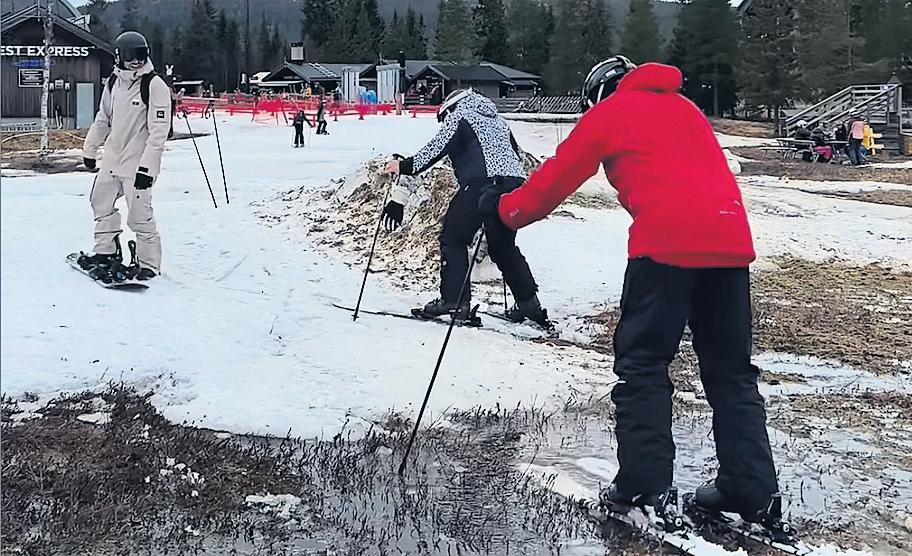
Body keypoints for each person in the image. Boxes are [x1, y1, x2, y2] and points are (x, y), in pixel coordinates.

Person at [490, 56, 780, 520]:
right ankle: (750, 489)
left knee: (643, 365)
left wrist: (505, 213)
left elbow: (552, 182)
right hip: (729, 244)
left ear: (598, 94)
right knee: (731, 374)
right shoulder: (687, 109)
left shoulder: (610, 113)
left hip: (665, 246)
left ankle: (644, 489)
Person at [384, 89, 550, 327]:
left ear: (448, 108)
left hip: (481, 184)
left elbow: (435, 150)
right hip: (514, 184)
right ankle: (529, 304)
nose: (443, 124)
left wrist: (403, 166)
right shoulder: (499, 121)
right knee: (503, 246)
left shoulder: (460, 115)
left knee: (453, 237)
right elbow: (516, 155)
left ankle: (454, 301)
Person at [79, 31, 171, 281]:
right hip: (112, 159)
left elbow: (158, 133)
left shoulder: (154, 85)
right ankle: (106, 250)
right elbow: (103, 119)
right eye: (131, 57)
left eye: (141, 56)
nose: (136, 62)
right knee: (100, 202)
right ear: (119, 57)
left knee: (140, 215)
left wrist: (147, 169)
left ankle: (149, 264)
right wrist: (90, 149)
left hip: (137, 163)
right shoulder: (113, 83)